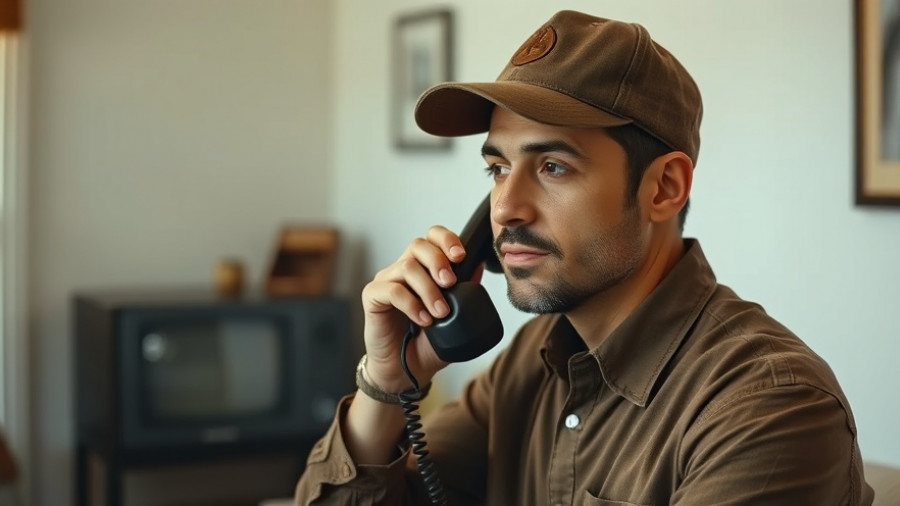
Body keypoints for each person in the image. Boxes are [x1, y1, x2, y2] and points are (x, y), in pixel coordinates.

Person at [295, 10, 874, 505]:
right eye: (497, 169)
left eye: (553, 167)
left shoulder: (768, 407)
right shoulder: (530, 361)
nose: (505, 209)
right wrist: (387, 384)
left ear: (664, 187)